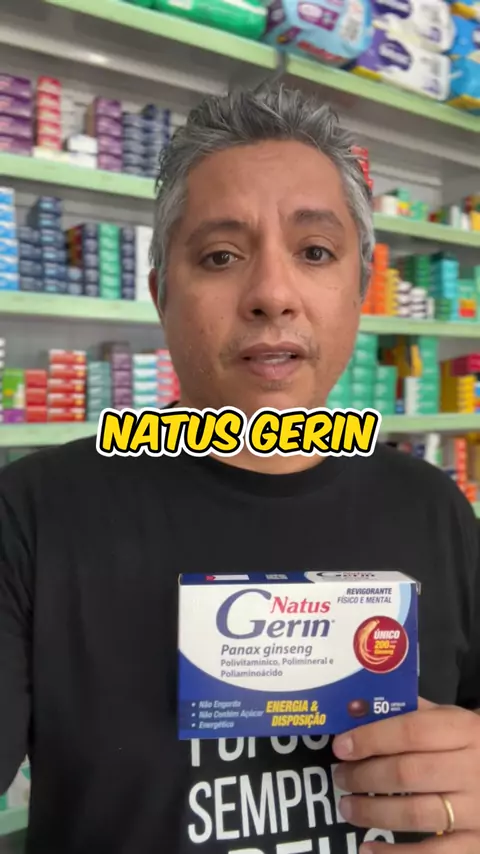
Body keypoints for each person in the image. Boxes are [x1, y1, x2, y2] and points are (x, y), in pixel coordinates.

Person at [0, 85, 479, 854]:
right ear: (160, 295)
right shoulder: (32, 515)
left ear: (360, 293)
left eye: (315, 252)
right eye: (220, 256)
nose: (272, 296)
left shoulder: (433, 506)